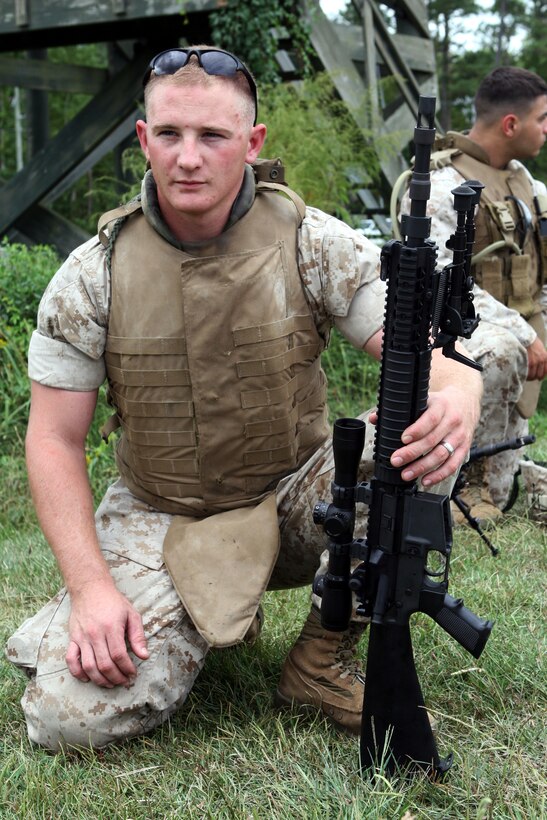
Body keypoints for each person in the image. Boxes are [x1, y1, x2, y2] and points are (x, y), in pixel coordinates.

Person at [6, 46, 482, 752]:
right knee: (67, 721)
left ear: (251, 143)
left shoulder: (309, 241)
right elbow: (51, 440)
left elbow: (425, 355)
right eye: (169, 135)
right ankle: (147, 609)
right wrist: (91, 590)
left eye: (213, 136)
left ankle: (320, 658)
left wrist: (462, 393)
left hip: (298, 499)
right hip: (162, 514)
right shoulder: (93, 274)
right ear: (144, 139)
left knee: (417, 432)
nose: (188, 158)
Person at [399, 66, 547, 525]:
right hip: (465, 341)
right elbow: (444, 289)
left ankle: (515, 468)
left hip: (526, 333)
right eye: (543, 119)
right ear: (510, 124)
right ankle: (470, 479)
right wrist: (525, 334)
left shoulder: (530, 188)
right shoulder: (438, 188)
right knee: (493, 502)